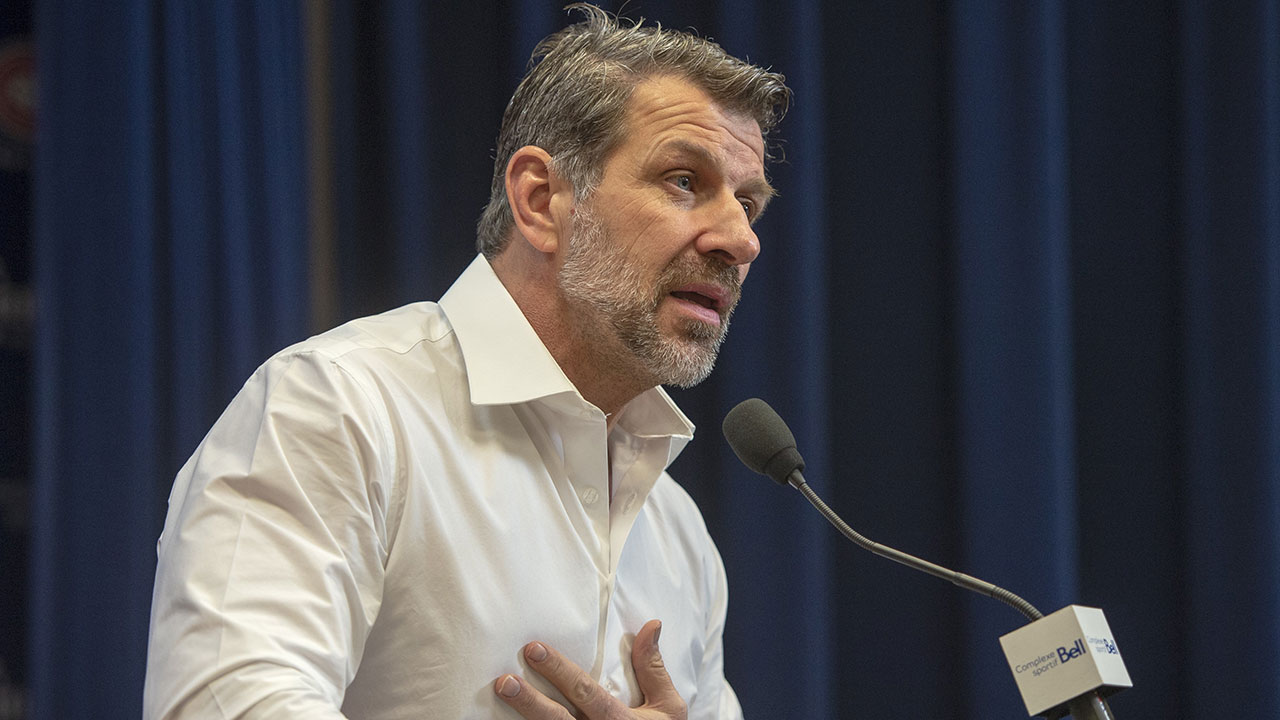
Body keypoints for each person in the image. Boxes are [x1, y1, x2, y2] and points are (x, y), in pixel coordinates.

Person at [143, 4, 790, 719]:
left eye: (750, 204)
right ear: (541, 201)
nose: (740, 239)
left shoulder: (677, 532)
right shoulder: (339, 409)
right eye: (683, 181)